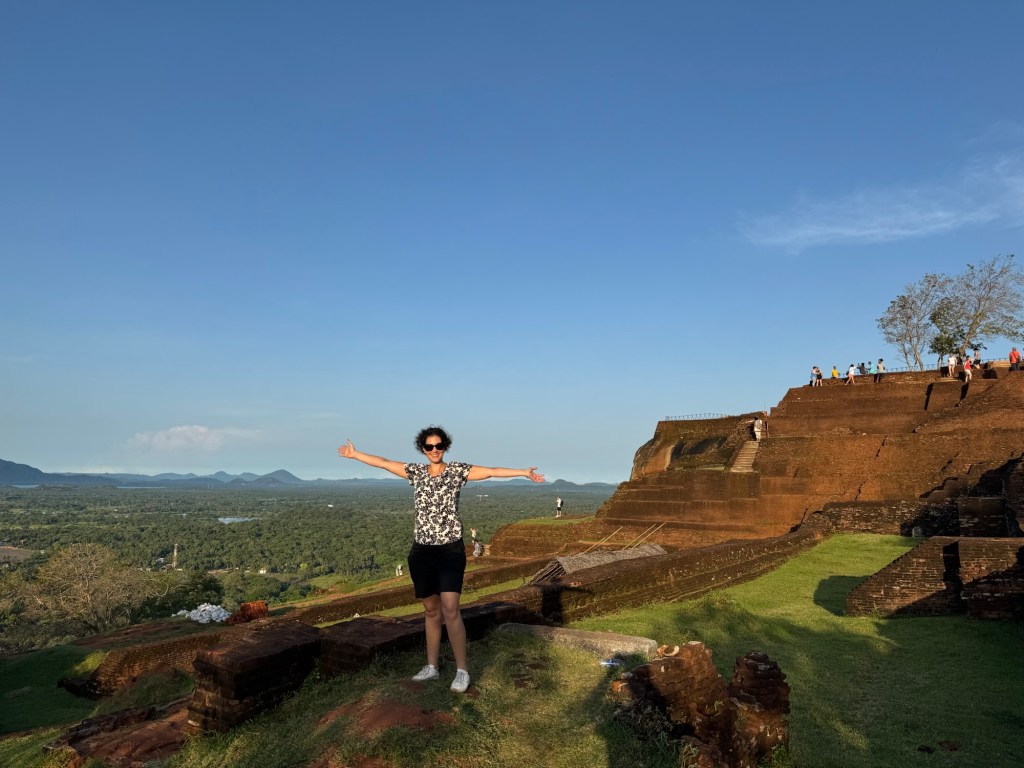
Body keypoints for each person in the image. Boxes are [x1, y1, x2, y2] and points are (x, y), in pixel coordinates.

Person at [338, 426, 543, 694]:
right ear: (422, 449)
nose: (434, 450)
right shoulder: (416, 472)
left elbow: (490, 471)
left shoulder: (457, 471)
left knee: (450, 609)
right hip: (422, 551)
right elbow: (385, 463)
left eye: (438, 445)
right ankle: (432, 666)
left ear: (445, 446)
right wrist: (356, 455)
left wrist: (523, 472)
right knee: (431, 610)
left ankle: (462, 670)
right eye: (429, 446)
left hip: (449, 550)